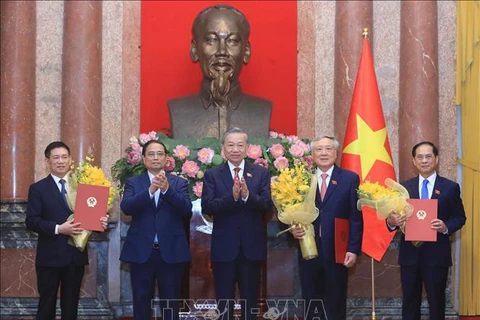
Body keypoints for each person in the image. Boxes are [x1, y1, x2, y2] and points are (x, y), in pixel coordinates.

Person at [25, 141, 109, 320]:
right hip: (49, 257)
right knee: (46, 305)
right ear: (47, 161)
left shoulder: (82, 185)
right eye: (56, 157)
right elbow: (31, 221)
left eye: (64, 157)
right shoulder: (38, 188)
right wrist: (58, 229)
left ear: (70, 159)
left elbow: (91, 218)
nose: (61, 161)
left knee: (71, 307)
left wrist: (101, 222)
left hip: (75, 257)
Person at [386, 141, 466, 320]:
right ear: (414, 161)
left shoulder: (450, 187)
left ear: (436, 159)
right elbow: (391, 219)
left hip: (437, 256)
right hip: (410, 256)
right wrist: (391, 222)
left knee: (437, 302)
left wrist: (446, 227)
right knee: (409, 301)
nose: (424, 160)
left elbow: (460, 217)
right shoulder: (403, 188)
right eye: (419, 157)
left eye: (428, 156)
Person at [168, 4, 272, 139]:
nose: (222, 52)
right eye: (211, 40)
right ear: (194, 50)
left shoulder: (262, 110)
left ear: (246, 51)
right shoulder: (178, 110)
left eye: (232, 41)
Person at [201, 127, 273, 320]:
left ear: (247, 148)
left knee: (251, 301)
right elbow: (207, 207)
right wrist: (231, 198)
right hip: (224, 248)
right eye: (230, 145)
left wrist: (247, 196)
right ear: (222, 148)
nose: (235, 149)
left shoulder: (260, 173)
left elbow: (267, 206)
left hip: (251, 247)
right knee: (224, 301)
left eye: (240, 145)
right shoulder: (213, 175)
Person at [290, 135, 363, 320]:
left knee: (336, 301)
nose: (323, 153)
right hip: (308, 249)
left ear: (336, 153)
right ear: (312, 154)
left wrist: (353, 249)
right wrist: (292, 229)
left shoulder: (349, 179)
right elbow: (290, 210)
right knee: (311, 300)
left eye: (328, 149)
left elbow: (355, 218)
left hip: (338, 251)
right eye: (319, 149)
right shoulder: (301, 179)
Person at [120, 139, 192, 320]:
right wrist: (150, 191)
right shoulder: (133, 183)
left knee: (170, 302)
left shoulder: (178, 183)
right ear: (144, 159)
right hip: (141, 252)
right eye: (151, 154)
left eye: (160, 154)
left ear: (166, 159)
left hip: (171, 251)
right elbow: (127, 207)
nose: (155, 157)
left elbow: (186, 209)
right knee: (141, 300)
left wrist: (167, 190)